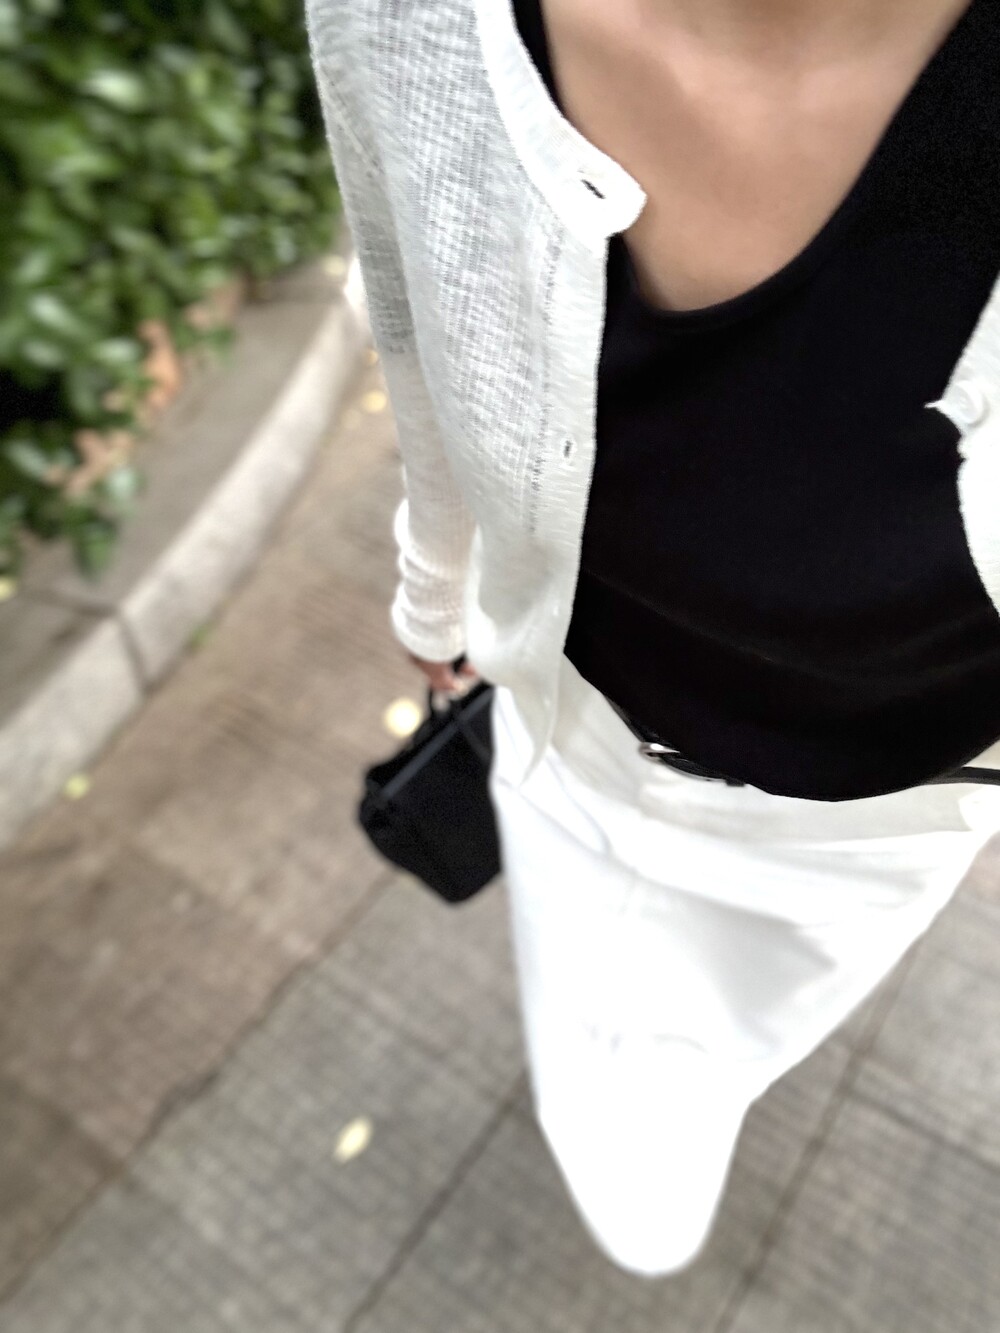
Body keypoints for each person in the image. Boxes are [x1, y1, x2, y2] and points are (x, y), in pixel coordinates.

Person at [305, 0, 1000, 1275]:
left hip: (895, 823)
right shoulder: (408, 20)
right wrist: (433, 591)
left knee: (749, 1025)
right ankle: (627, 1169)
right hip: (569, 744)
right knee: (594, 1048)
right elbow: (413, 326)